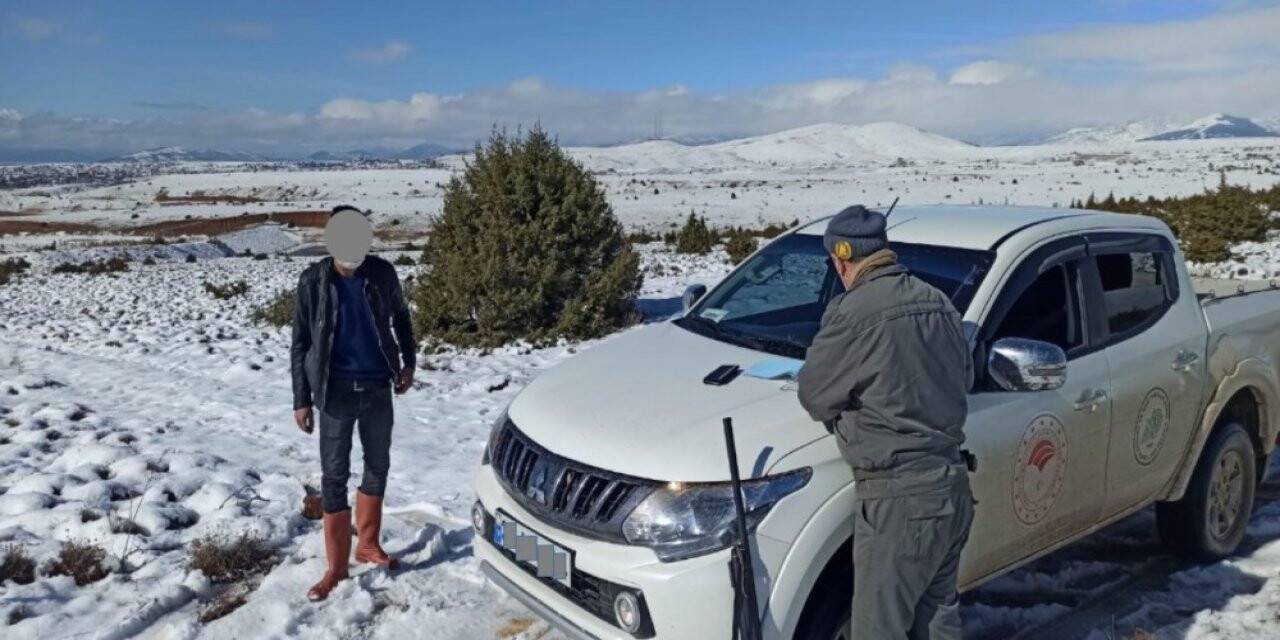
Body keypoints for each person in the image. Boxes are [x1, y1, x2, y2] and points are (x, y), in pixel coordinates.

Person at [797, 205, 975, 639]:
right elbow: (964, 377)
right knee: (936, 620)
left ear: (841, 260)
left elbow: (814, 394)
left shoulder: (854, 313)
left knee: (879, 629)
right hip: (951, 488)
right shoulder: (939, 302)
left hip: (898, 500)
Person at [291, 205, 417, 602]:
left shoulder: (382, 274)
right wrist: (301, 399)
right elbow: (301, 344)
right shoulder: (313, 281)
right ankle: (336, 568)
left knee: (377, 465)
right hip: (334, 392)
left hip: (378, 385)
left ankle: (367, 545)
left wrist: (408, 362)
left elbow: (401, 318)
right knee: (333, 476)